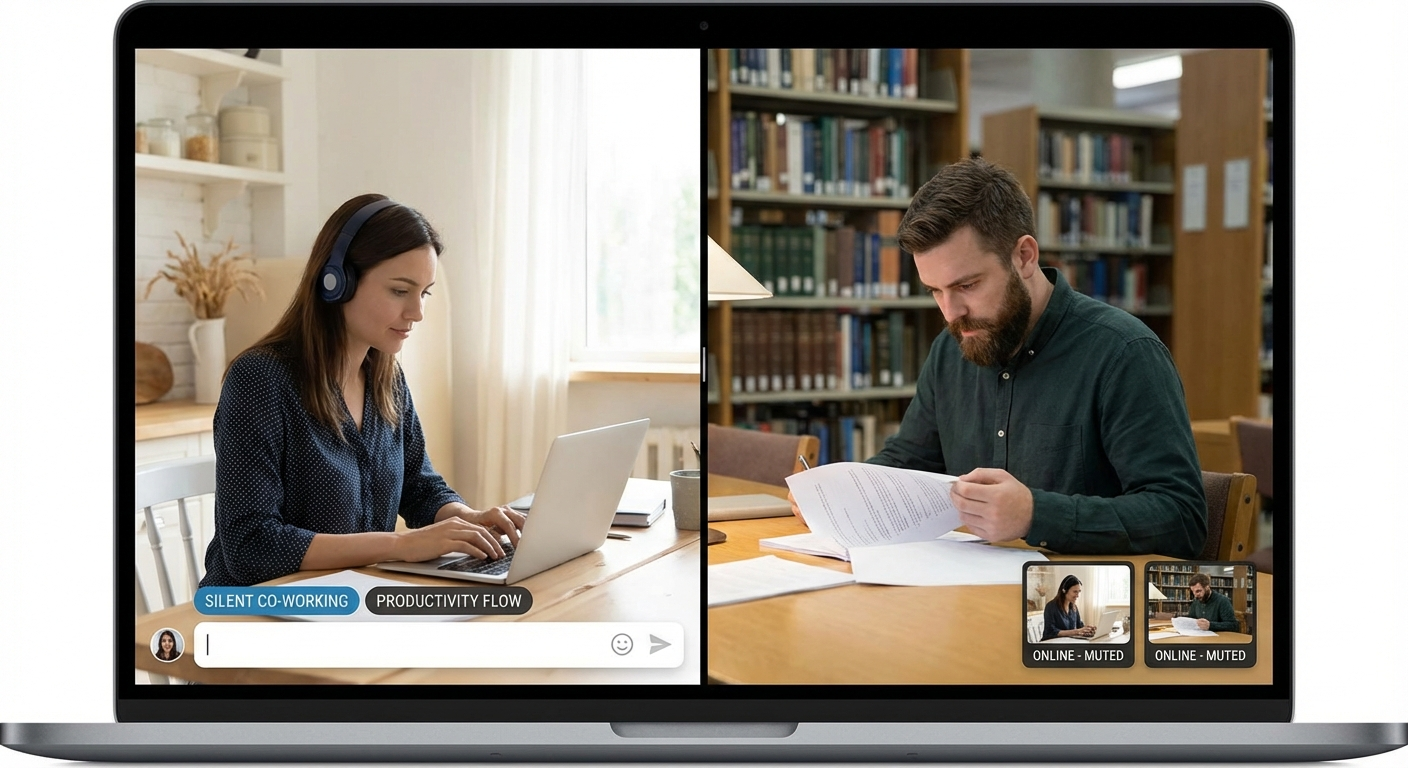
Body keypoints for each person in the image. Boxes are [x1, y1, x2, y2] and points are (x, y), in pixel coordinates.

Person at [789, 158, 1206, 558]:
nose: (950, 313)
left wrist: (1035, 515)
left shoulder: (1123, 354)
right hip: (968, 593)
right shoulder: (951, 349)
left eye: (967, 285)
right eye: (935, 290)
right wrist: (839, 495)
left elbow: (1181, 519)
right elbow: (908, 461)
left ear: (1024, 256)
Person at [200, 194, 525, 588]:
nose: (417, 313)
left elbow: (419, 487)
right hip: (256, 614)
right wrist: (399, 545)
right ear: (336, 282)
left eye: (423, 293)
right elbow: (252, 548)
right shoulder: (260, 381)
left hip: (349, 600)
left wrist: (464, 517)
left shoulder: (385, 379)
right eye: (399, 291)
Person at [1041, 575, 1093, 640]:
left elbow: (1079, 626)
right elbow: (1050, 632)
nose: (1077, 595)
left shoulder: (1074, 607)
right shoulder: (1051, 607)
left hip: (1067, 643)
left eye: (1079, 591)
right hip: (1051, 645)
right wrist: (1076, 631)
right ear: (1064, 590)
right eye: (1075, 592)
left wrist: (1088, 629)